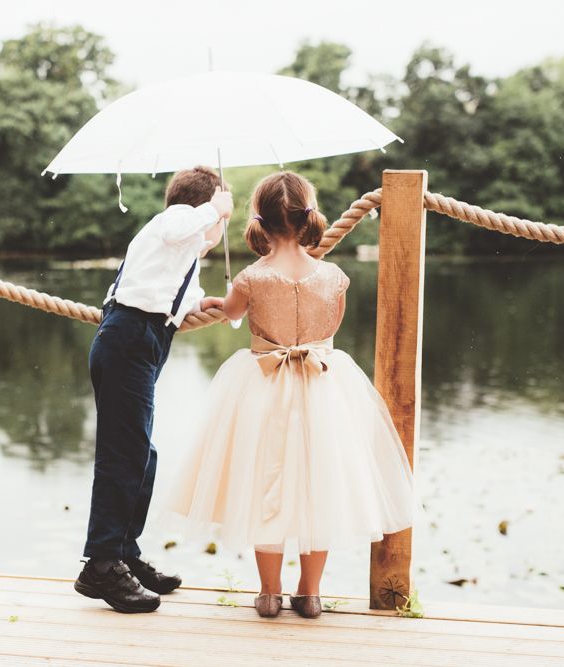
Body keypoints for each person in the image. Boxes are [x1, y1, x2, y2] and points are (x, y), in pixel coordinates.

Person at [163, 171, 414, 619]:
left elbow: (232, 314)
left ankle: (269, 593)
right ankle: (311, 593)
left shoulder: (250, 278)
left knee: (267, 486)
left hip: (264, 390)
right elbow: (331, 328)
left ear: (259, 221)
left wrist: (217, 301)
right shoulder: (334, 276)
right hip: (324, 387)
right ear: (308, 217)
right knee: (322, 487)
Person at [75, 166, 233, 614]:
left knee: (142, 457)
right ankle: (101, 563)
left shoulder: (182, 254)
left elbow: (175, 300)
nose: (222, 228)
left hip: (141, 343)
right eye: (224, 219)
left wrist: (203, 304)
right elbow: (183, 222)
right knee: (123, 455)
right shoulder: (172, 223)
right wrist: (214, 207)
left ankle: (124, 552)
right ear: (201, 208)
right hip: (127, 339)